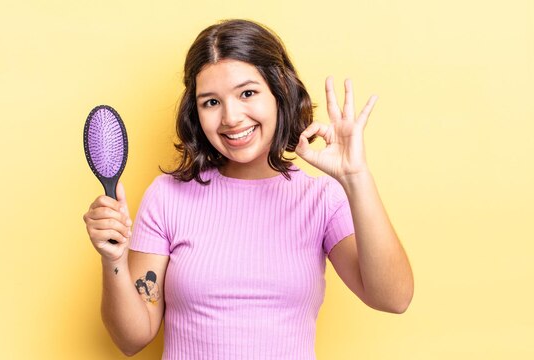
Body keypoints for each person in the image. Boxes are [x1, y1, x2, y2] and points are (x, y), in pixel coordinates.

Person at [83, 19, 413, 359]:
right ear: (195, 113)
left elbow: (394, 298)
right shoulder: (167, 197)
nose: (231, 117)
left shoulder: (321, 199)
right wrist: (114, 260)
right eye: (211, 102)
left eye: (247, 93)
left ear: (279, 91)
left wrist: (356, 176)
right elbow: (132, 338)